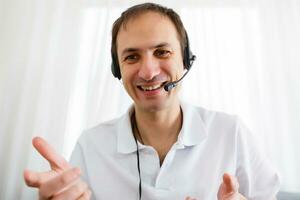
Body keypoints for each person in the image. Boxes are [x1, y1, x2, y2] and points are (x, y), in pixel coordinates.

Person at [24, 3, 280, 200]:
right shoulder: (91, 146)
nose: (148, 72)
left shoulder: (231, 133)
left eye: (162, 52)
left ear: (186, 60)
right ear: (117, 70)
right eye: (132, 57)